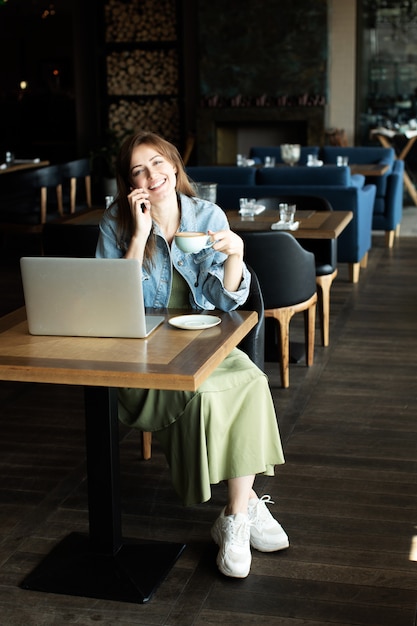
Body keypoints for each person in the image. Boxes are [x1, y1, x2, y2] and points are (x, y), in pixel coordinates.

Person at [96, 129, 289, 578]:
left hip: (203, 338)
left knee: (251, 380)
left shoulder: (207, 214)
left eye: (158, 163)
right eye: (138, 170)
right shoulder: (116, 220)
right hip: (142, 349)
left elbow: (224, 303)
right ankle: (245, 514)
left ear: (175, 165)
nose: (151, 174)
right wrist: (140, 234)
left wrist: (237, 254)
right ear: (129, 182)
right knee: (205, 394)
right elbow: (112, 301)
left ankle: (236, 517)